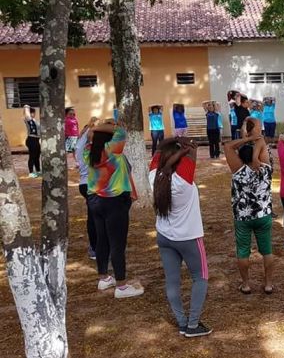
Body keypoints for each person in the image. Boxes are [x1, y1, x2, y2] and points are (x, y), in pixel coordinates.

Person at [150, 137, 211, 337]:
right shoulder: (183, 181)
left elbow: (159, 149)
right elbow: (192, 155)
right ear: (180, 159)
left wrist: (175, 142)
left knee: (172, 281)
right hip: (189, 237)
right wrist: (187, 147)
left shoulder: (153, 176)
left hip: (164, 237)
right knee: (200, 278)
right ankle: (193, 325)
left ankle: (182, 321)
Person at [84, 119, 143, 299]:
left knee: (102, 240)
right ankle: (122, 287)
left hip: (94, 200)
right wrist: (109, 123)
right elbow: (121, 130)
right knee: (118, 243)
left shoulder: (89, 151)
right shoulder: (113, 150)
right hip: (114, 201)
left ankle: (104, 277)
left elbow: (89, 134)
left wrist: (97, 127)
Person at [224, 119, 274, 294]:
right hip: (263, 214)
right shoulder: (265, 168)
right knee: (267, 250)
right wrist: (254, 142)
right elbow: (261, 141)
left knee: (243, 251)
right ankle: (268, 283)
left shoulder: (238, 170)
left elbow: (228, 147)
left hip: (242, 217)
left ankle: (245, 284)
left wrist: (245, 138)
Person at [76, 116, 100, 260]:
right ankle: (95, 247)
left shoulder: (80, 143)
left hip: (84, 183)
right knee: (95, 218)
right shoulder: (91, 148)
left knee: (93, 216)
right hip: (92, 184)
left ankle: (95, 246)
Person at [23, 105, 41, 178]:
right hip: (31, 139)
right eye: (32, 112)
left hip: (36, 140)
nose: (33, 114)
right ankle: (31, 172)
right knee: (32, 156)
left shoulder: (34, 121)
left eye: (34, 112)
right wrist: (27, 107)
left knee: (37, 156)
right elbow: (26, 108)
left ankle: (38, 171)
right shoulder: (27, 119)